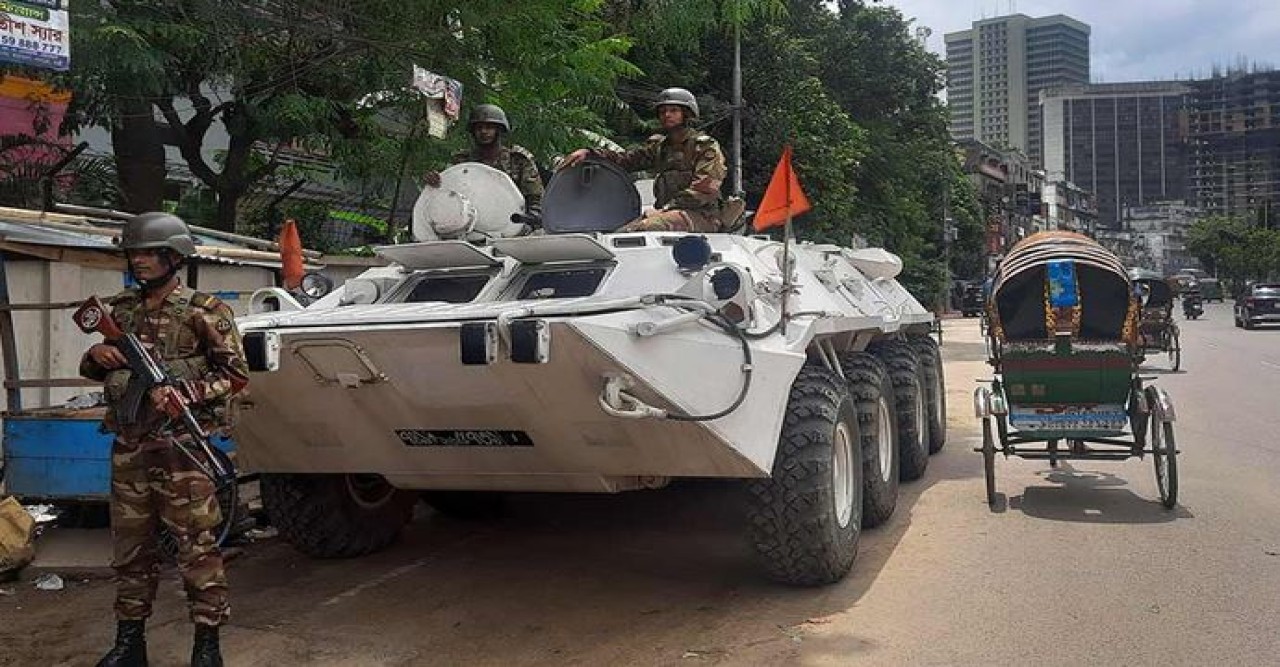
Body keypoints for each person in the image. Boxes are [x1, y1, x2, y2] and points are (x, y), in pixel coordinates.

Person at [81, 212, 250, 667]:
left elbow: (235, 377)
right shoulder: (120, 311)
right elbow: (94, 366)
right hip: (131, 447)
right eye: (134, 253)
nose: (139, 261)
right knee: (131, 550)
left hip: (182, 450)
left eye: (149, 253)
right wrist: (98, 354)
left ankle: (207, 646)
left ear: (174, 256)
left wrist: (187, 392)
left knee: (198, 549)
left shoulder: (205, 312)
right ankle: (129, 643)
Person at [559, 87, 727, 232]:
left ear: (687, 114)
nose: (667, 115)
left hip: (704, 216)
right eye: (662, 112)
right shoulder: (661, 146)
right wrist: (590, 154)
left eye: (674, 110)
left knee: (648, 227)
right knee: (621, 232)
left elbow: (703, 191)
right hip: (669, 213)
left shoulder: (705, 147)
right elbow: (627, 160)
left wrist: (665, 209)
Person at [424, 103, 544, 220]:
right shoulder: (462, 161)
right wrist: (436, 182)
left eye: (489, 127)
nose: (484, 132)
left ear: (499, 130)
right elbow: (449, 193)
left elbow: (535, 198)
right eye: (479, 128)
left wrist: (529, 220)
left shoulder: (517, 159)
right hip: (472, 222)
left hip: (512, 223)